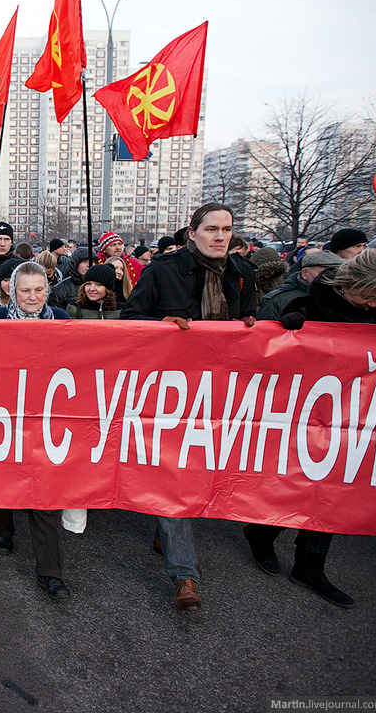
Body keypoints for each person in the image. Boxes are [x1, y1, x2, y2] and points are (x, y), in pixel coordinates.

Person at [244, 249, 376, 607]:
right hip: (305, 410)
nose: (372, 304)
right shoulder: (310, 302)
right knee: (298, 479)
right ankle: (263, 531)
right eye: (368, 296)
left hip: (354, 414)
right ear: (348, 286)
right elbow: (276, 356)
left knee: (335, 487)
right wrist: (291, 326)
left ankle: (310, 565)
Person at [121, 203, 257, 610]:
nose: (220, 237)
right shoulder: (162, 271)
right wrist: (158, 327)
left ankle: (169, 530)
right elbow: (131, 319)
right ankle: (185, 576)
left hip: (221, 393)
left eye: (227, 230)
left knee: (205, 470)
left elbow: (252, 325)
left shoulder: (241, 274)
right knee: (174, 478)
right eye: (212, 229)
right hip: (169, 392)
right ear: (193, 232)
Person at [0, 262, 71, 599]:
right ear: (12, 289)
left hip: (46, 418)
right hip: (4, 416)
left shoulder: (63, 320)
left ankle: (50, 573)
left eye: (39, 290)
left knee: (46, 492)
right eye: (25, 290)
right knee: (5, 477)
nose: (33, 296)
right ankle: (2, 529)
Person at [257, 251, 342, 320]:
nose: (333, 278)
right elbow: (265, 335)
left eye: (338, 274)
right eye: (326, 273)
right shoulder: (278, 300)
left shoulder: (346, 298)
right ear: (305, 273)